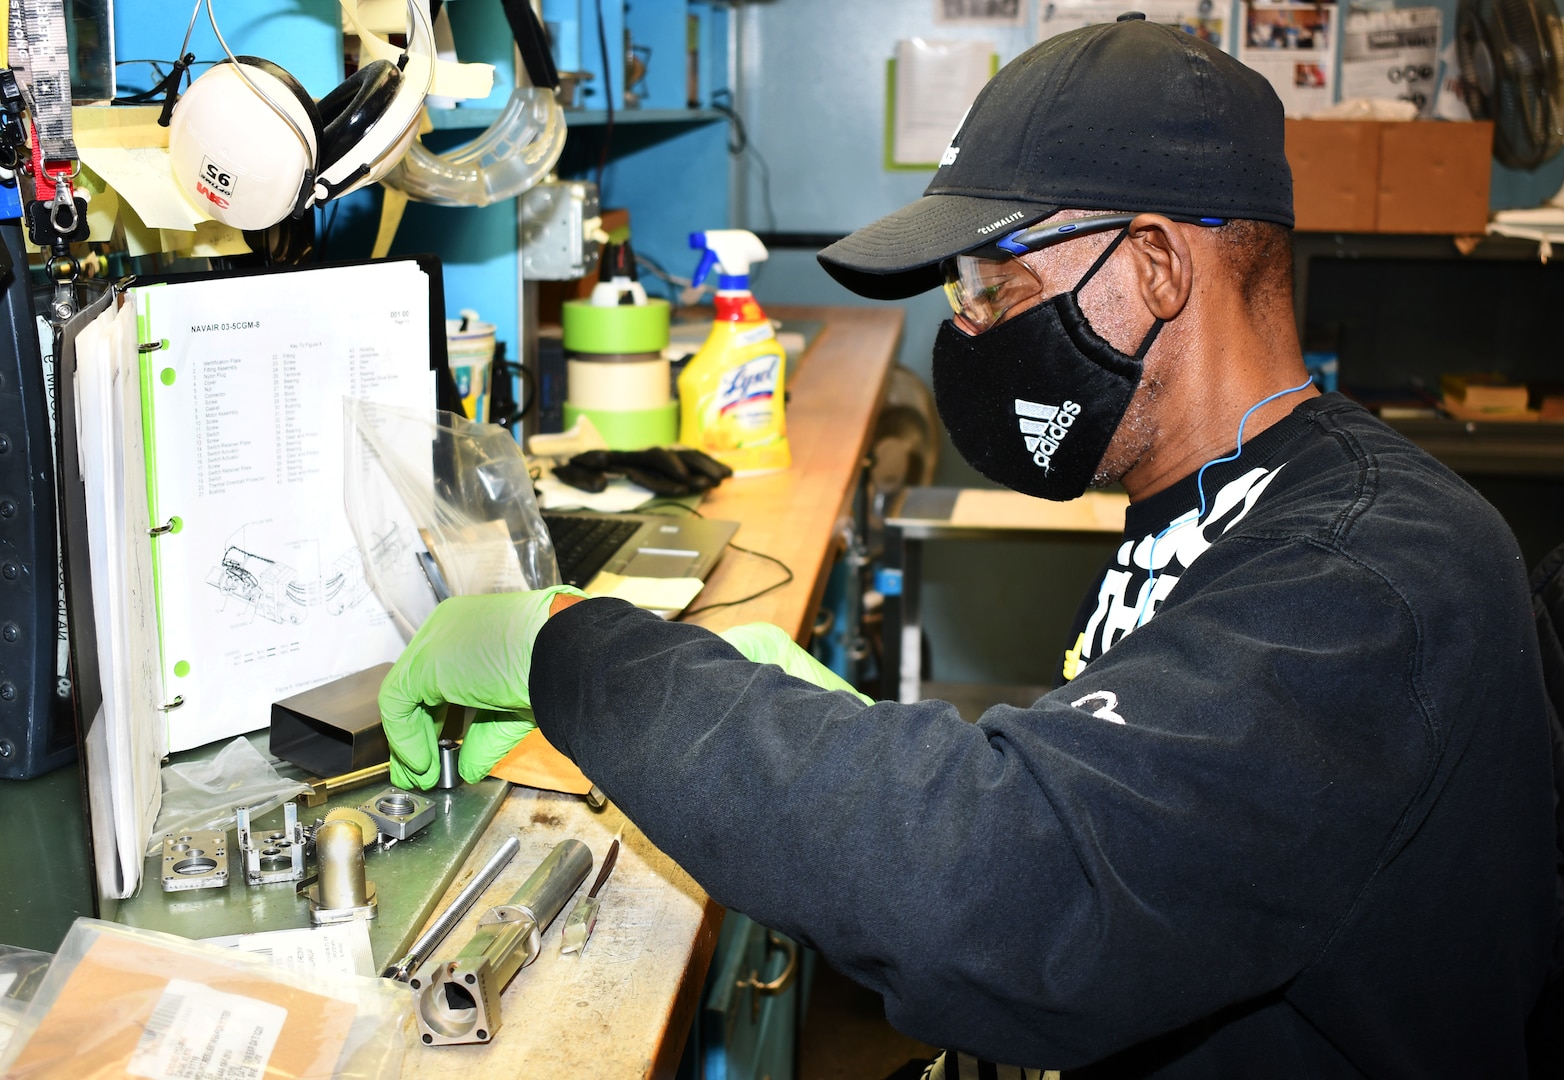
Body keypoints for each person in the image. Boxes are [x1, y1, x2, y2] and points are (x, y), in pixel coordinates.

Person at [379, 17, 1558, 1077]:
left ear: (1153, 263)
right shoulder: (1216, 495)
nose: (974, 332)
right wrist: (836, 731)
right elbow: (1133, 795)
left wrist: (574, 650)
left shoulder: (1375, 579)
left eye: (996, 287)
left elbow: (1010, 891)